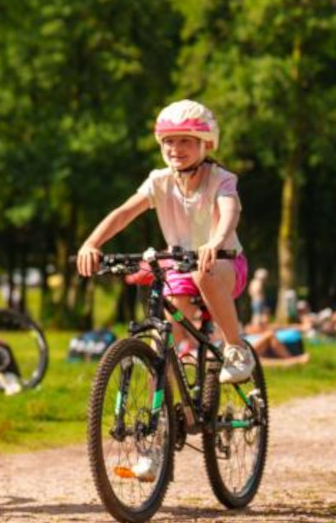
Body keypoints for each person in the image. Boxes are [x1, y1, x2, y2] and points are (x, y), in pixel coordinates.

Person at [77, 100, 255, 388]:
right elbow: (123, 214)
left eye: (185, 141)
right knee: (164, 345)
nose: (175, 148)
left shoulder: (220, 179)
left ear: (206, 144)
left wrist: (215, 242)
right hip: (181, 268)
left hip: (224, 264)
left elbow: (230, 213)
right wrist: (91, 243)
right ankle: (168, 417)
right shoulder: (159, 181)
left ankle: (236, 349)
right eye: (169, 141)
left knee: (202, 271)